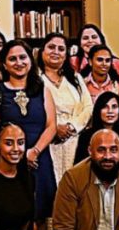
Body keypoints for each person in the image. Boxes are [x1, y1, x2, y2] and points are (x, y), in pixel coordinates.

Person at [0, 40, 57, 224]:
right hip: (8, 161)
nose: (19, 62)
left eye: (23, 57)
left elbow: (51, 126)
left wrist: (35, 152)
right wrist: (21, 154)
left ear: (30, 61)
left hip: (39, 159)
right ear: (4, 64)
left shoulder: (42, 90)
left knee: (41, 211)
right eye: (12, 59)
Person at [37, 33, 93, 182]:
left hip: (74, 140)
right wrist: (55, 128)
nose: (56, 52)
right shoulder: (35, 79)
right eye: (51, 47)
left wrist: (71, 126)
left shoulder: (75, 78)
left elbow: (88, 107)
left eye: (61, 49)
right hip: (46, 142)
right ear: (42, 51)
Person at [75, 91, 119, 166]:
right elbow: (79, 166)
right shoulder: (86, 136)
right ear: (98, 110)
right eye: (105, 107)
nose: (110, 111)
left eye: (114, 107)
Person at [85, 44, 119, 123]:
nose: (104, 63)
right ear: (90, 61)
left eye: (107, 60)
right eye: (100, 60)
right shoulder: (82, 85)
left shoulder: (118, 86)